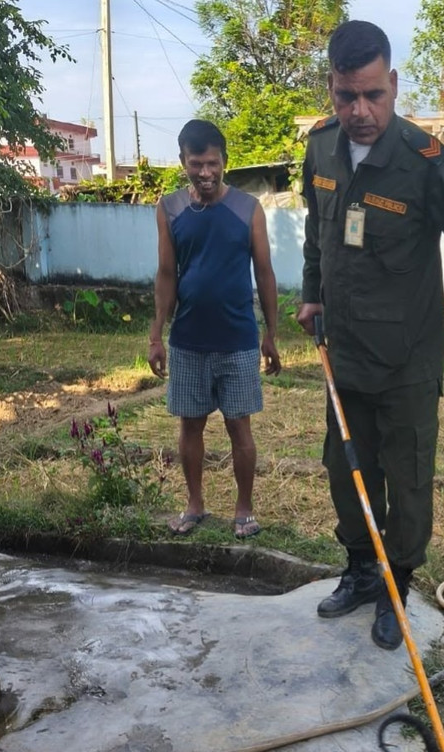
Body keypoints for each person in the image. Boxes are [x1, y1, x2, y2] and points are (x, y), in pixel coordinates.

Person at [296, 20, 444, 650]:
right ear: (332, 90)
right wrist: (312, 294)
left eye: (372, 95)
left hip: (407, 363)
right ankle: (361, 570)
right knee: (349, 473)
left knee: (408, 478)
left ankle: (397, 584)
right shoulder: (320, 151)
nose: (360, 111)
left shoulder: (426, 162)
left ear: (393, 85)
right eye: (346, 97)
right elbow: (318, 234)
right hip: (344, 354)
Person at [149, 119, 281, 539]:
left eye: (211, 163)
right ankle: (195, 504)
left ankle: (244, 509)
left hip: (238, 340)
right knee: (190, 426)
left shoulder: (248, 209)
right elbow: (167, 274)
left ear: (224, 160)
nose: (204, 173)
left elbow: (264, 272)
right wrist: (156, 335)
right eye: (195, 164)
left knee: (239, 427)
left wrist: (271, 335)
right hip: (187, 340)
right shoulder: (169, 209)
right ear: (183, 162)